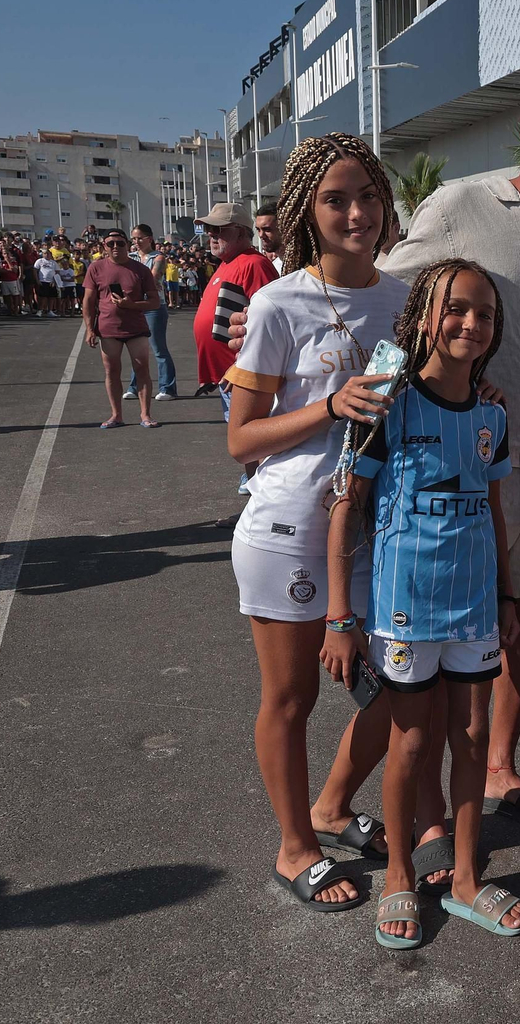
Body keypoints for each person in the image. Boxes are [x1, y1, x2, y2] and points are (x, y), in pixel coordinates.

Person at [379, 75, 520, 836]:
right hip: (468, 463)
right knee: (448, 631)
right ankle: (431, 808)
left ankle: (503, 766)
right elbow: (387, 296)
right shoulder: (461, 207)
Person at [325, 258, 520, 948]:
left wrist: (505, 593)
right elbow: (346, 507)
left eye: (485, 314)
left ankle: (468, 877)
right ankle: (399, 878)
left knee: (473, 736)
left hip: (474, 609)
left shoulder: (493, 416)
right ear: (423, 319)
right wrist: (340, 619)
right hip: (405, 610)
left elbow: (493, 513)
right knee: (410, 741)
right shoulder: (388, 401)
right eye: (457, 309)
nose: (471, 323)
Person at [223, 133, 404, 912]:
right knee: (291, 698)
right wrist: (327, 405)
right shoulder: (277, 303)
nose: (356, 212)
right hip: (290, 527)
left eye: (366, 194)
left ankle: (333, 805)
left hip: (380, 527)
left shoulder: (404, 298)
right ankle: (296, 845)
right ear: (307, 210)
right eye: (336, 199)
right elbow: (241, 439)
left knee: (401, 688)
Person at [194, 201, 277, 492]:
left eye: (219, 229)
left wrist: (240, 364)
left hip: (242, 373)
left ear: (241, 233)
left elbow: (270, 321)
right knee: (244, 437)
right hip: (229, 375)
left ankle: (260, 493)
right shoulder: (228, 264)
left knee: (252, 437)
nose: (211, 235)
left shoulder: (253, 264)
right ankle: (255, 487)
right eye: (209, 229)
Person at [82, 228, 161, 429]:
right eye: (110, 244)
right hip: (108, 329)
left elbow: (154, 302)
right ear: (104, 247)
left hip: (136, 328)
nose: (115, 247)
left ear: (128, 245)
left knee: (142, 369)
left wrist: (132, 305)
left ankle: (145, 415)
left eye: (120, 243)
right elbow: (89, 301)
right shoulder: (96, 268)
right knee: (112, 371)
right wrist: (90, 329)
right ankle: (116, 415)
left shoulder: (140, 269)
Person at [123, 224, 177, 401]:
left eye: (140, 238)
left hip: (154, 307)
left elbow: (152, 280)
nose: (136, 242)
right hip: (134, 306)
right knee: (136, 349)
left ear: (149, 239)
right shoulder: (129, 257)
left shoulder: (158, 257)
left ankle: (167, 388)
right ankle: (134, 386)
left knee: (158, 349)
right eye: (134, 239)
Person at [255, 201, 283, 274]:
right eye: (258, 230)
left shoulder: (307, 265)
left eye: (267, 230)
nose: (261, 235)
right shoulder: (272, 268)